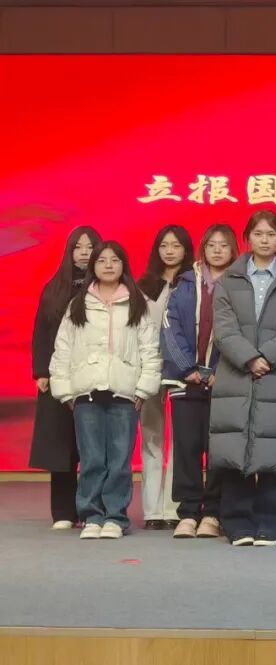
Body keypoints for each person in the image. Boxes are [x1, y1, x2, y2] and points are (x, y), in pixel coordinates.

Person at [210, 210, 276, 547]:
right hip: (235, 374)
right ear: (247, 238)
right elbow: (224, 329)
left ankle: (272, 523)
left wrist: (266, 357)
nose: (265, 240)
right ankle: (237, 523)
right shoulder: (229, 280)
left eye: (271, 234)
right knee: (234, 447)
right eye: (258, 234)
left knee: (275, 449)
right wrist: (249, 358)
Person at [49, 241, 161, 539]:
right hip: (85, 394)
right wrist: (66, 393)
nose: (108, 265)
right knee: (92, 460)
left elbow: (150, 350)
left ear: (124, 265)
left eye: (115, 260)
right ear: (93, 267)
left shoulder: (138, 303)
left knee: (120, 461)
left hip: (125, 394)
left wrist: (143, 390)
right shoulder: (78, 304)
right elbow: (62, 350)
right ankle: (91, 516)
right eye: (102, 261)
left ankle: (115, 517)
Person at [161, 225, 238, 540]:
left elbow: (242, 332)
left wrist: (223, 371)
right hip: (185, 382)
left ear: (233, 250)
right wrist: (186, 368)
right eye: (212, 245)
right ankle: (188, 512)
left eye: (224, 245)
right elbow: (170, 327)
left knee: (219, 448)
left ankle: (213, 512)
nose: (217, 250)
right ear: (203, 249)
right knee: (187, 447)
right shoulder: (184, 283)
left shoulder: (239, 284)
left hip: (224, 381)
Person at [29, 226, 101, 529]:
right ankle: (63, 512)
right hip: (58, 376)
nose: (84, 253)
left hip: (94, 376)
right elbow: (42, 331)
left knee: (93, 447)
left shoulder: (107, 287)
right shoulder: (54, 287)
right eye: (77, 247)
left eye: (89, 247)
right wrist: (41, 371)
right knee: (62, 446)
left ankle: (91, 509)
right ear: (69, 252)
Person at [137, 225, 194, 530]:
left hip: (182, 368)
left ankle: (174, 507)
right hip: (149, 367)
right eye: (164, 245)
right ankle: (152, 510)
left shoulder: (192, 283)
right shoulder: (143, 286)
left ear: (186, 249)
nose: (169, 251)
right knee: (151, 436)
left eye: (176, 245)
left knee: (180, 439)